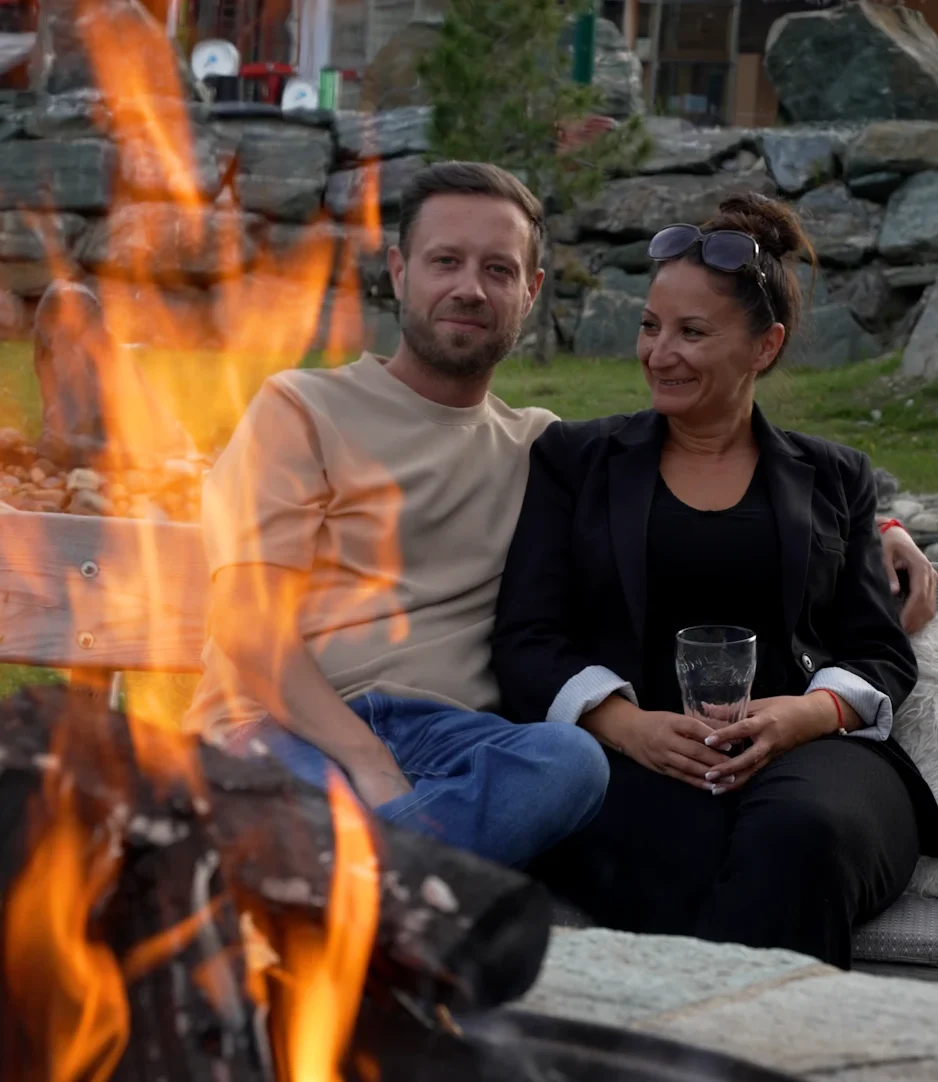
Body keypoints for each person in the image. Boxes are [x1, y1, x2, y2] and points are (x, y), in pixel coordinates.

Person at [491, 192, 938, 966]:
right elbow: (527, 637)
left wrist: (804, 715)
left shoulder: (835, 477)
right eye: (650, 326)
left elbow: (880, 651)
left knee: (803, 838)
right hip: (633, 756)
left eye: (692, 332)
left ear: (764, 347)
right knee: (684, 849)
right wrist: (624, 725)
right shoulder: (574, 461)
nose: (659, 353)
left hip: (813, 755)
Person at [184, 161, 610, 868]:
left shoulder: (541, 446)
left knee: (572, 762)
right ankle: (395, 884)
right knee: (297, 797)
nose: (470, 288)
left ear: (530, 292)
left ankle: (347, 882)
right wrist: (370, 763)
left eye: (498, 271)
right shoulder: (302, 408)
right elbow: (248, 624)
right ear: (399, 270)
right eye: (445, 261)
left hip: (455, 745)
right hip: (287, 727)